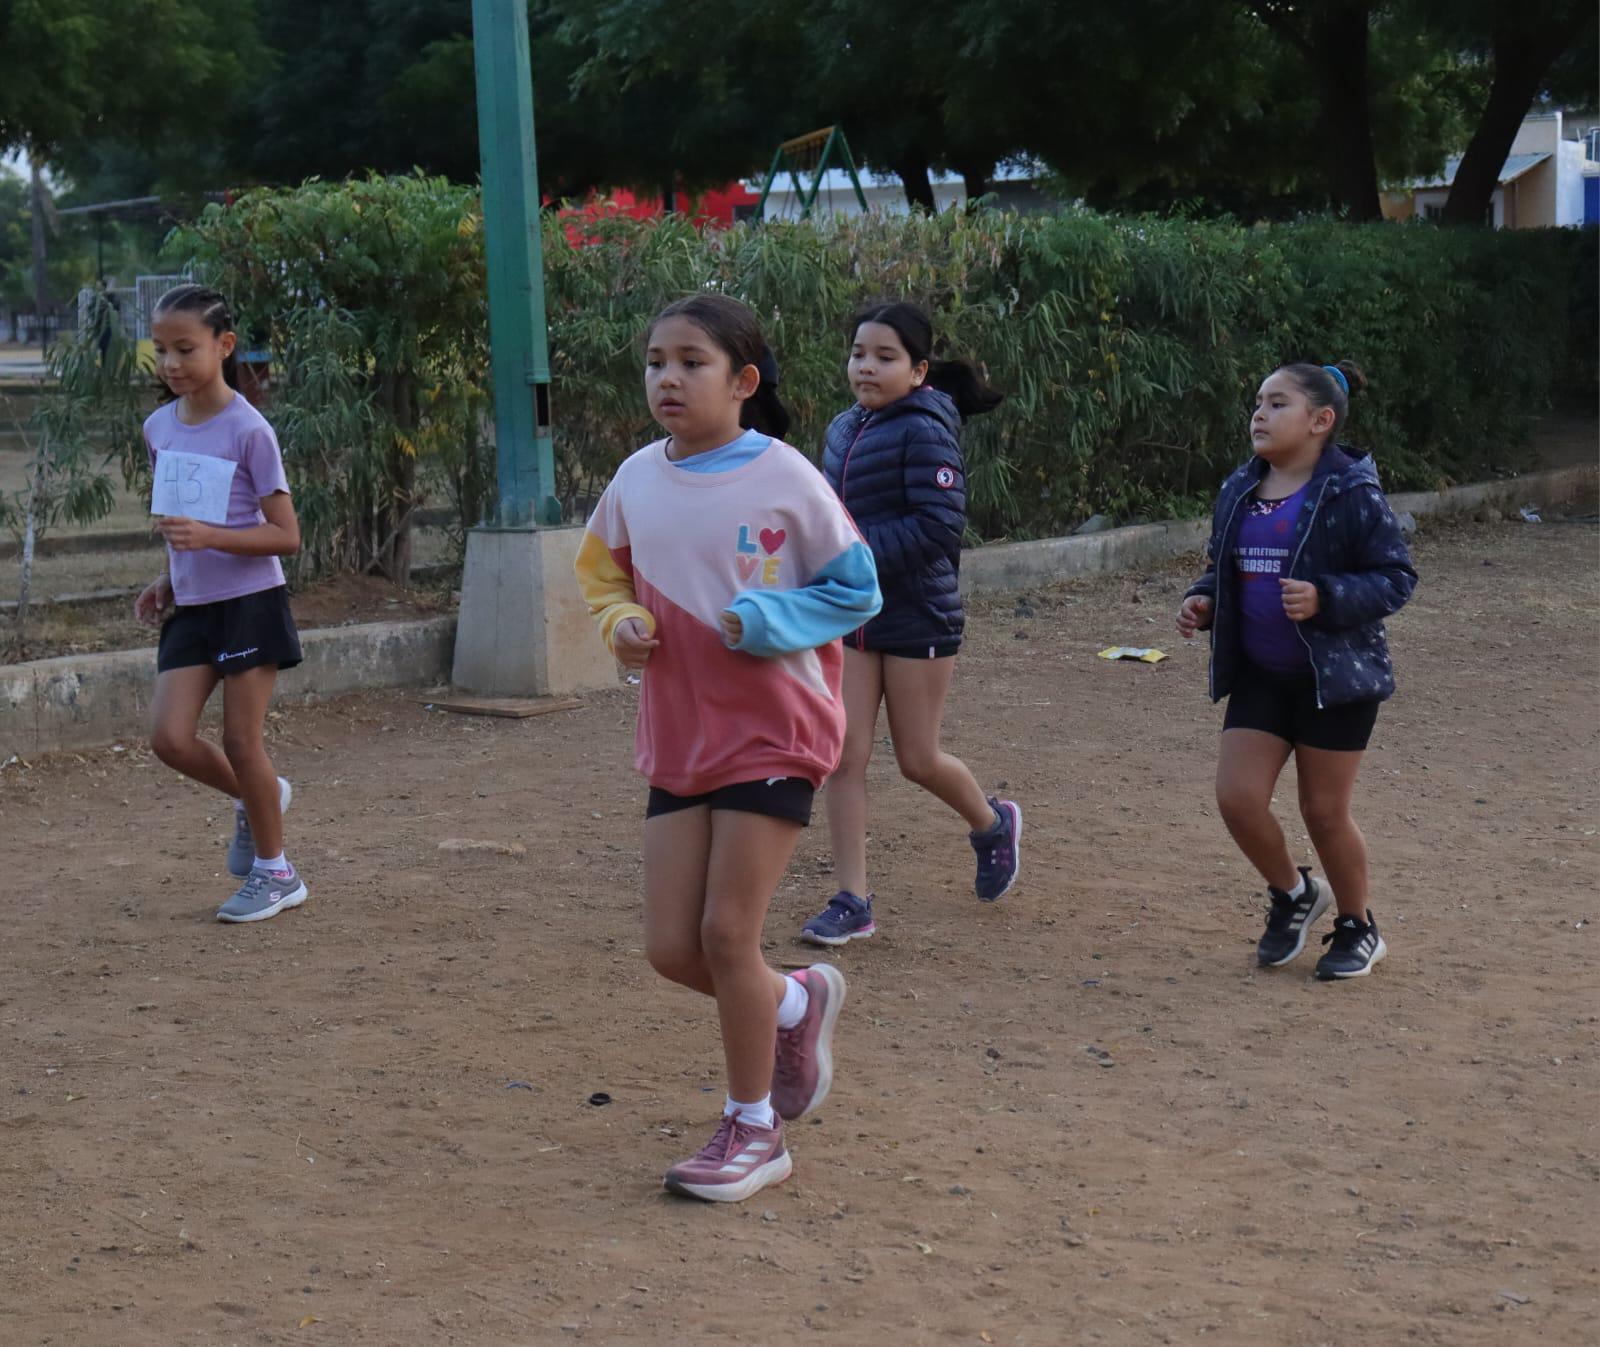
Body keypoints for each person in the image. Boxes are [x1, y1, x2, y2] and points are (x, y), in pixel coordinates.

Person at [575, 293, 882, 1202]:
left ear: (743, 381)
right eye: (655, 362)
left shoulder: (786, 475)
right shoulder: (635, 478)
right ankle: (792, 1001)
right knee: (674, 948)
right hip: (680, 735)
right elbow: (599, 573)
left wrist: (768, 618)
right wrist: (620, 621)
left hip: (777, 729)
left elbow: (857, 589)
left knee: (725, 933)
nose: (668, 378)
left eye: (691, 362)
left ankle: (755, 1128)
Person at [1176, 360, 1416, 980]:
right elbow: (1222, 566)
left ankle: (1359, 927)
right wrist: (1204, 599)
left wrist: (1325, 597)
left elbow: (1395, 577)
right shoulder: (1239, 487)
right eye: (1258, 402)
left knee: (1324, 812)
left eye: (1277, 403)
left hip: (1335, 678)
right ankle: (1294, 893)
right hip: (1261, 674)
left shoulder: (1350, 492)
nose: (1259, 414)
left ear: (1320, 420)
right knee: (1237, 798)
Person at [802, 301, 1019, 947]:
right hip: (853, 614)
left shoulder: (926, 430)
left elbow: (938, 528)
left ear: (918, 370)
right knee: (843, 757)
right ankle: (852, 899)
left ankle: (992, 824)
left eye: (885, 356)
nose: (866, 366)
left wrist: (849, 554)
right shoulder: (843, 427)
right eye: (858, 354)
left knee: (918, 759)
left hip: (917, 613)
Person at [133, 283, 306, 924]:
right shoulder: (158, 427)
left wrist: (209, 539)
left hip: (249, 602)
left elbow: (286, 536)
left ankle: (276, 873)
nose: (170, 363)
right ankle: (262, 796)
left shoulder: (249, 430)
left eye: (185, 349)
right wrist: (167, 578)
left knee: (240, 739)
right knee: (170, 738)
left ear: (224, 345)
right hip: (194, 604)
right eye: (160, 350)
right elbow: (184, 519)